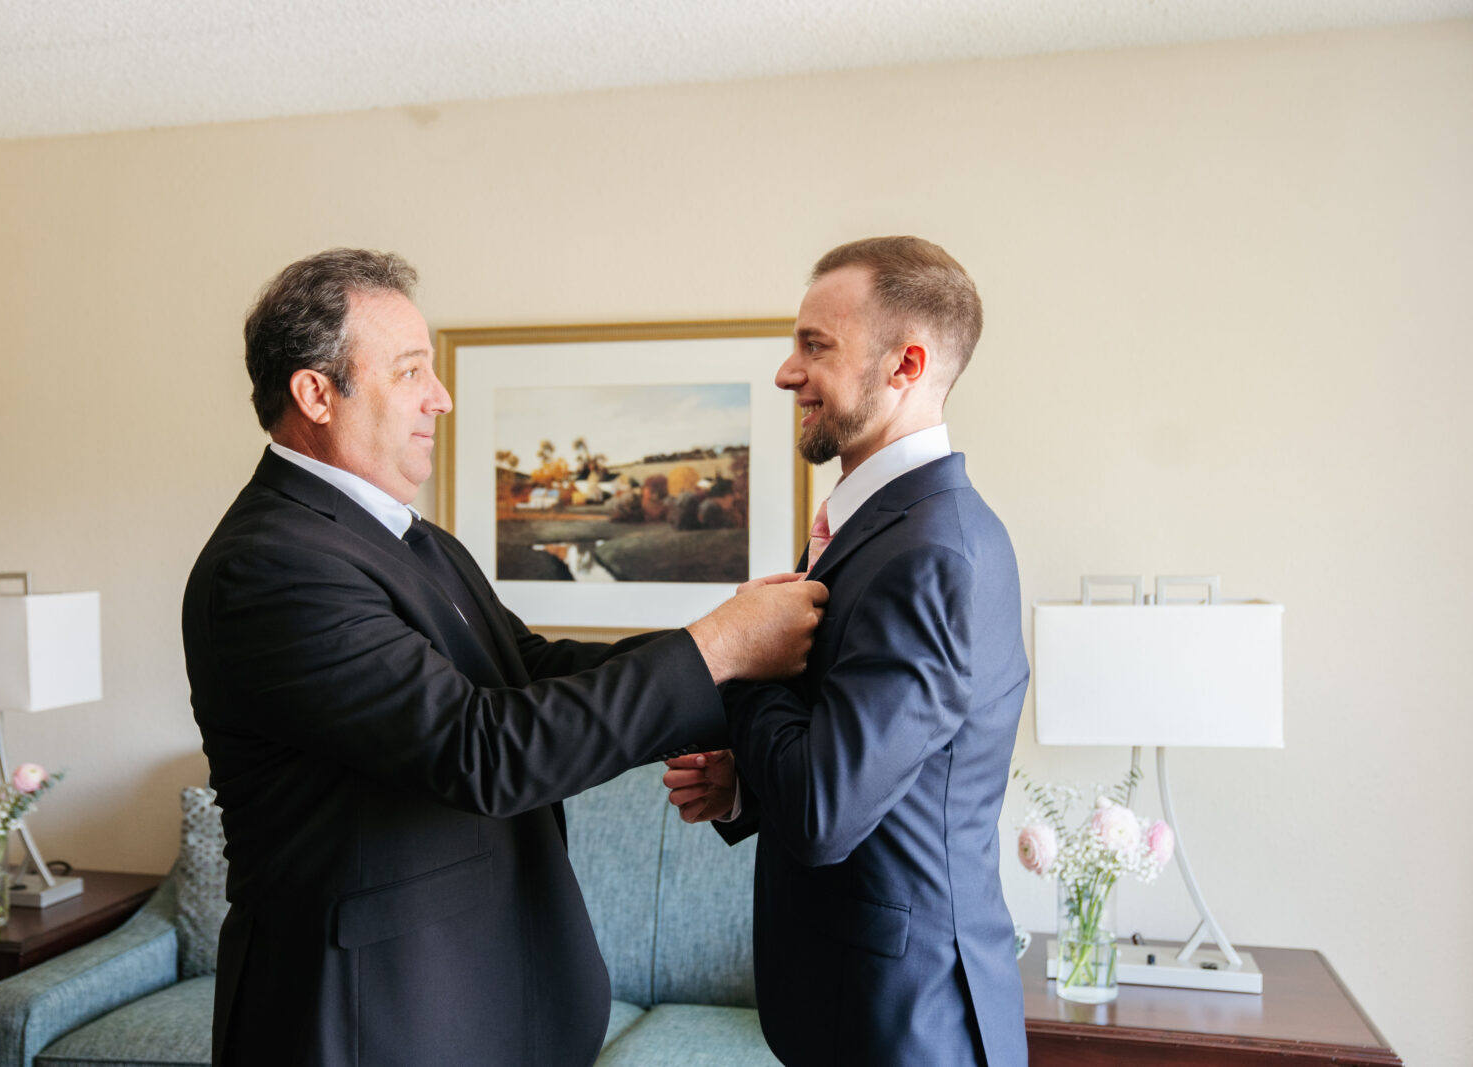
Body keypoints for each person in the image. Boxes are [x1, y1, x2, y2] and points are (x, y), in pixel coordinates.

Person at [181, 248, 827, 1067]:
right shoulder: (269, 565)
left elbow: (529, 667)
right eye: (412, 369)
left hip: (484, 1006)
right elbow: (481, 749)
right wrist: (721, 646)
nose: (440, 397)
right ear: (315, 392)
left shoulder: (415, 540)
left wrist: (731, 666)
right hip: (373, 1022)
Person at [665, 236, 1029, 1066]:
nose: (786, 372)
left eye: (814, 346)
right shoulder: (879, 528)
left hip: (906, 1027)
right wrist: (745, 788)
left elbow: (825, 811)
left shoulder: (932, 553)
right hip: (852, 1008)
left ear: (906, 364)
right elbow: (874, 761)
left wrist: (741, 655)